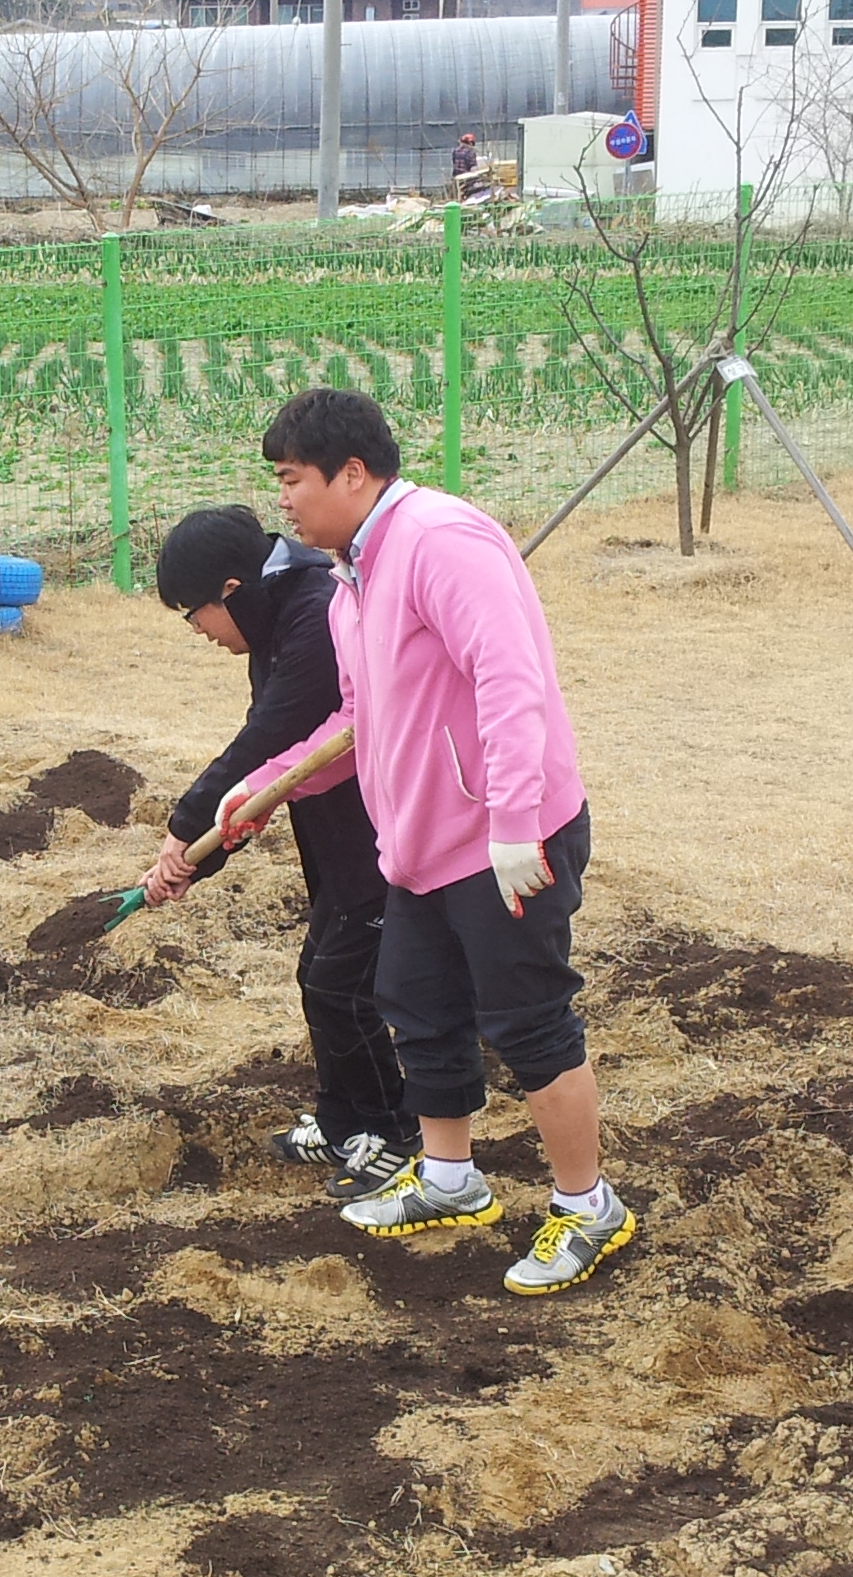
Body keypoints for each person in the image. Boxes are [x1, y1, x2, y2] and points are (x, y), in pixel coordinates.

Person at [224, 388, 634, 1297]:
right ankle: (450, 1179)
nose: (282, 502)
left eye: (291, 480)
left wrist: (515, 823)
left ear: (352, 473)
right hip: (421, 844)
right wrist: (264, 789)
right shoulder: (353, 579)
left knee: (529, 1023)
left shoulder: (439, 541)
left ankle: (589, 1205)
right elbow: (361, 719)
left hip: (503, 840)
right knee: (418, 1005)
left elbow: (510, 676)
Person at [142, 506, 417, 1198]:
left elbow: (268, 735)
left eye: (194, 614)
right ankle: (343, 1119)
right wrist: (202, 854)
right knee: (318, 974)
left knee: (342, 985)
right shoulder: (274, 613)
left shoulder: (313, 612)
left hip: (378, 832)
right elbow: (272, 760)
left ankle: (395, 1133)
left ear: (230, 590)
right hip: (332, 832)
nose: (199, 632)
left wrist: (185, 833)